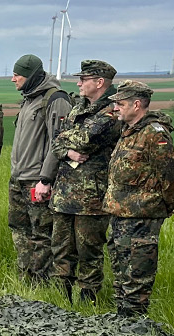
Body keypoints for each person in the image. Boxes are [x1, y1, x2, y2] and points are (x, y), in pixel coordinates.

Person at [103, 80, 174, 318]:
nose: (115, 108)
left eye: (120, 103)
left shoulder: (153, 134)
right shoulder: (129, 132)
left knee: (136, 277)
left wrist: (161, 207)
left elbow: (171, 178)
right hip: (120, 215)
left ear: (137, 104)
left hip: (141, 217)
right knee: (120, 274)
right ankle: (122, 321)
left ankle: (135, 327)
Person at [49, 60, 122, 304]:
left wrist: (65, 143)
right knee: (61, 250)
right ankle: (61, 302)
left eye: (84, 79)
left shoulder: (111, 111)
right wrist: (66, 151)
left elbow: (84, 139)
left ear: (100, 83)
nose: (78, 83)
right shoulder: (78, 107)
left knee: (88, 253)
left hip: (92, 197)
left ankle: (87, 305)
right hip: (64, 194)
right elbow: (57, 141)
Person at [8, 54, 70, 285]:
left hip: (37, 180)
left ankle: (41, 283)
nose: (13, 79)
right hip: (18, 178)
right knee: (19, 229)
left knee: (41, 234)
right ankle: (25, 279)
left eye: (17, 75)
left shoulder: (55, 99)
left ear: (31, 76)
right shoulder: (28, 99)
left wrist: (46, 179)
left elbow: (59, 141)